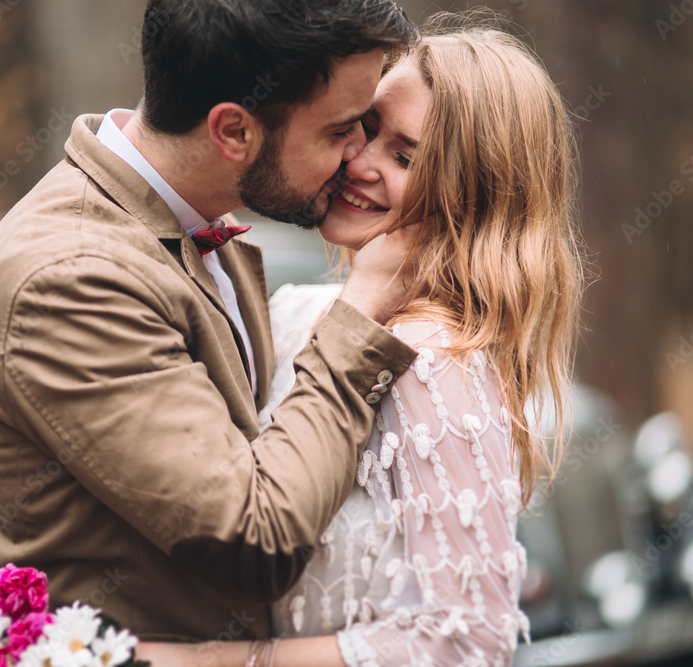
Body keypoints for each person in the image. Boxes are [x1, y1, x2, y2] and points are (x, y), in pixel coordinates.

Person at [136, 10, 586, 666]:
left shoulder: (437, 364)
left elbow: (468, 640)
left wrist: (214, 661)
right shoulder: (297, 312)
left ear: (473, 195)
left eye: (404, 156)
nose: (359, 163)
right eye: (361, 129)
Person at [0, 0, 418, 643]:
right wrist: (361, 311)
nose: (355, 156)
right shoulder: (68, 276)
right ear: (233, 131)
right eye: (340, 130)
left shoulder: (193, 221)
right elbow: (255, 538)